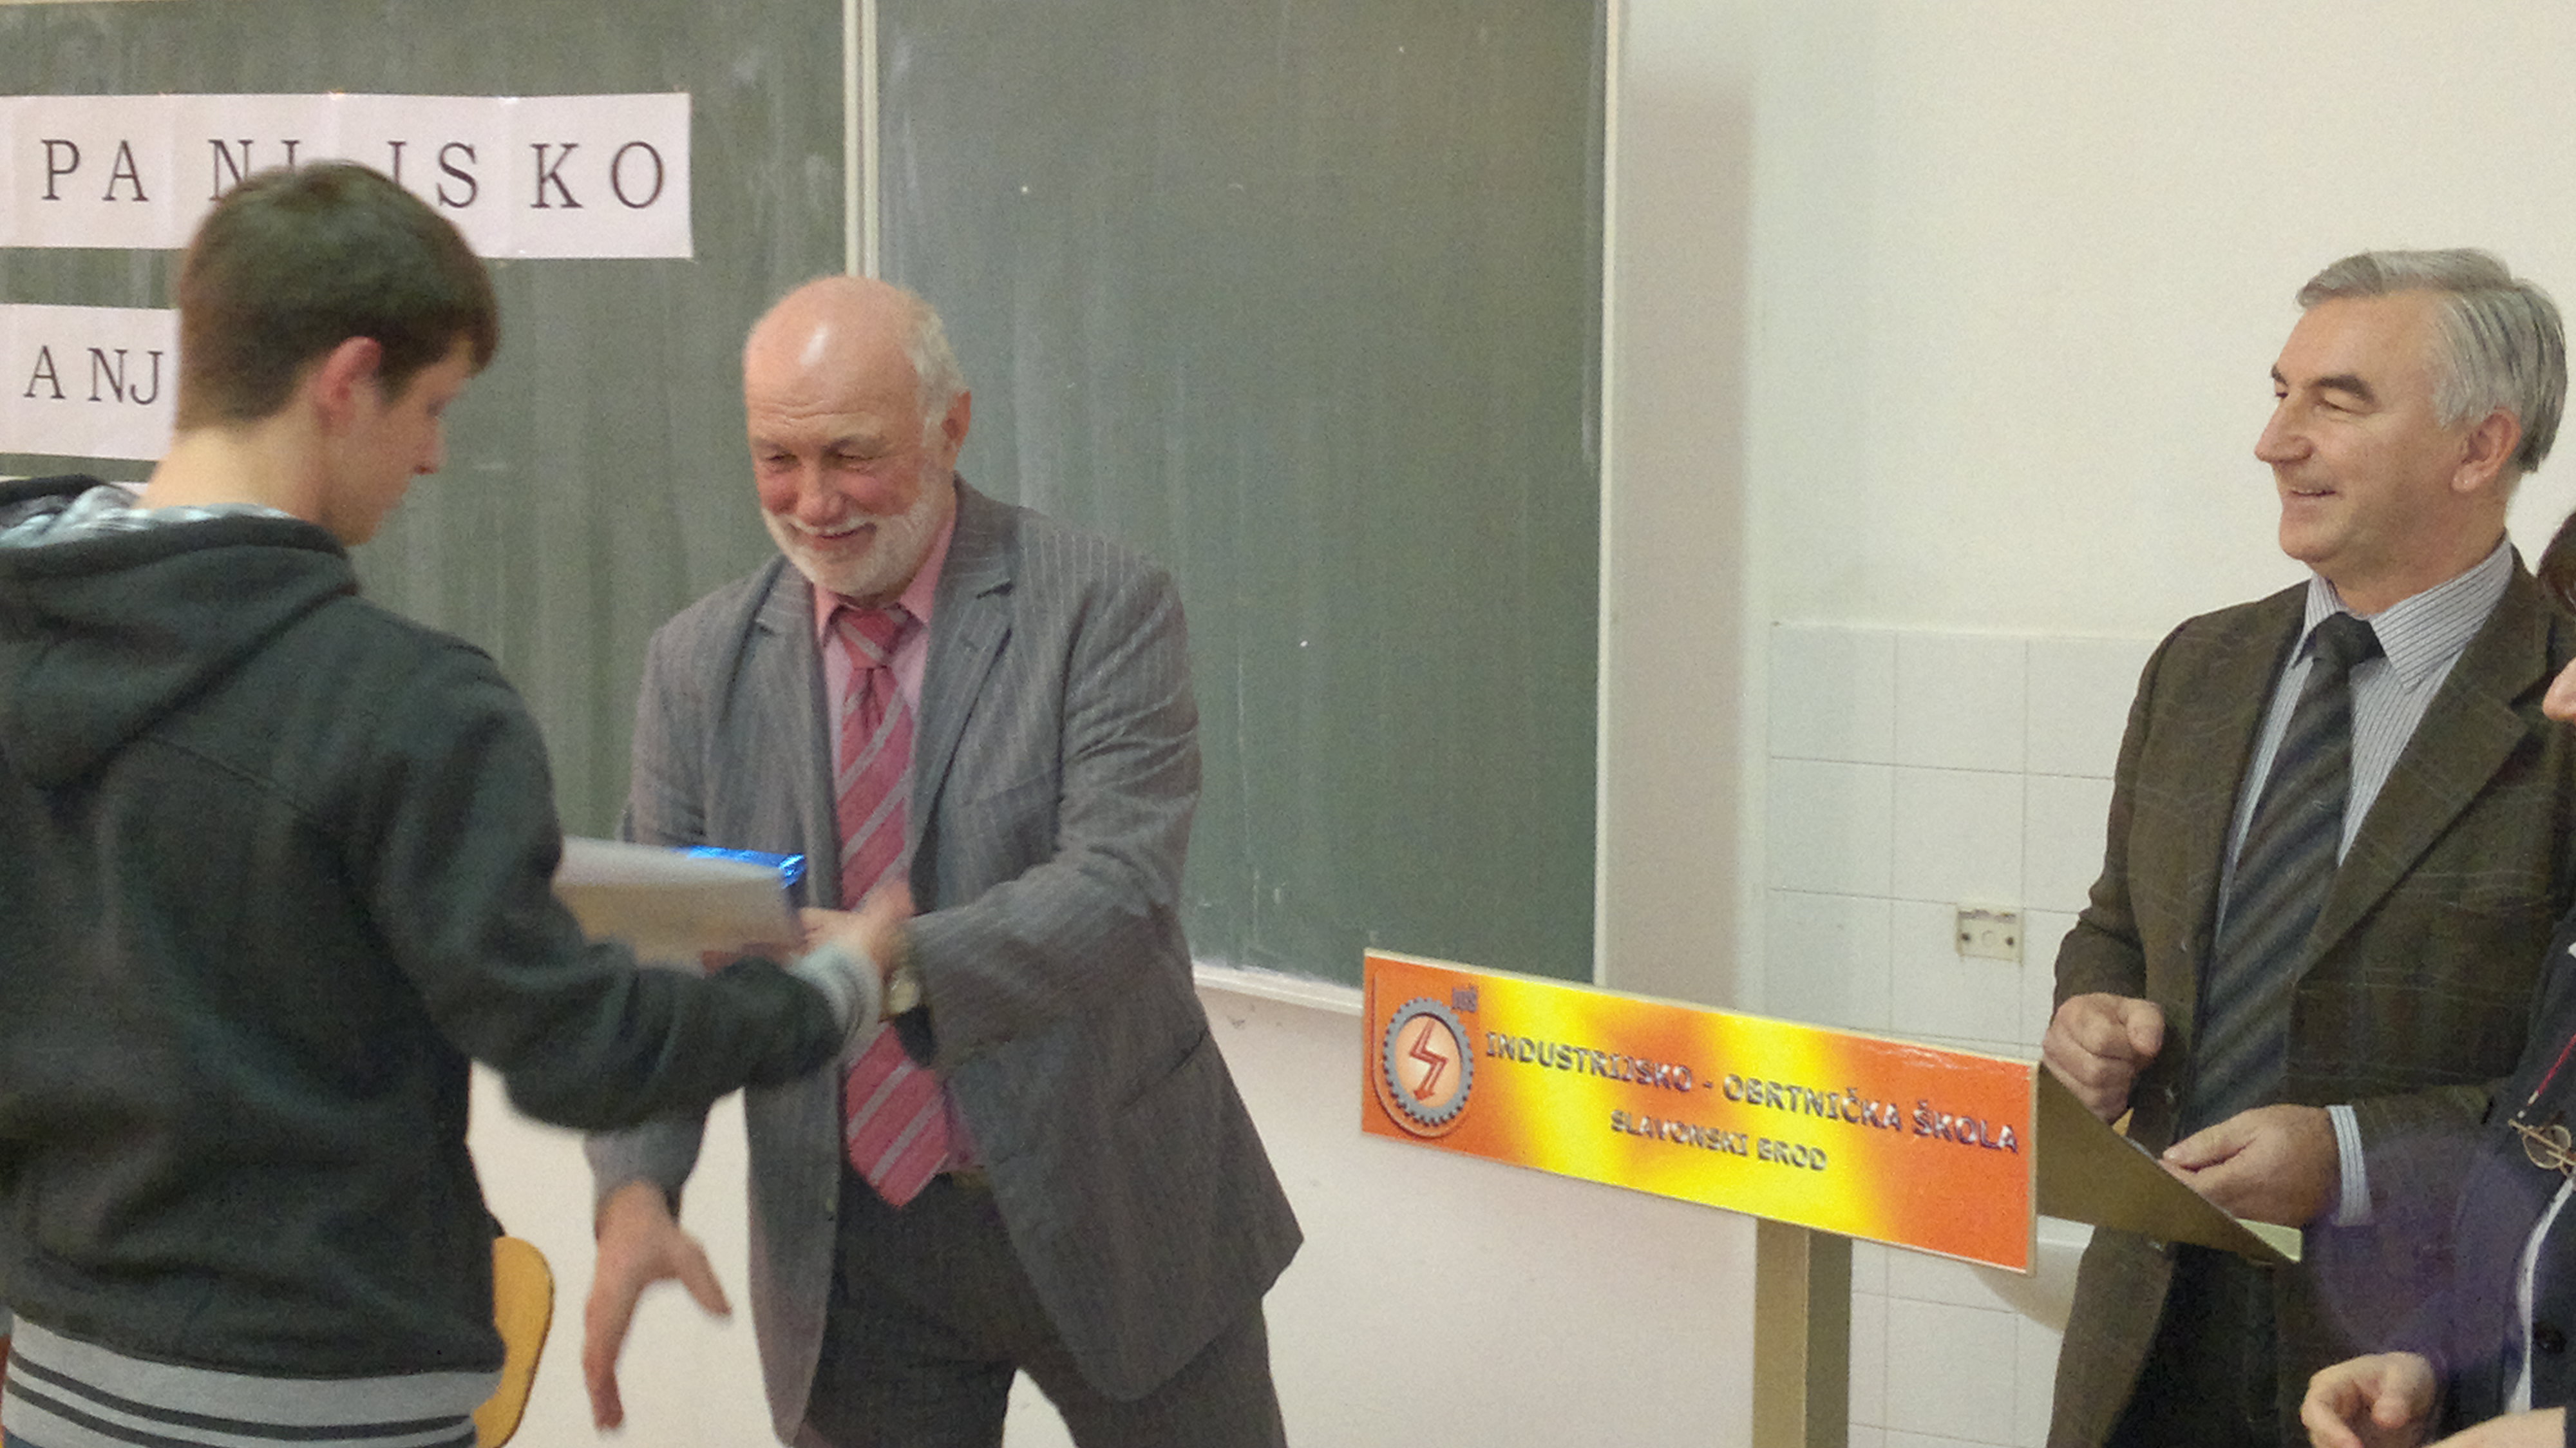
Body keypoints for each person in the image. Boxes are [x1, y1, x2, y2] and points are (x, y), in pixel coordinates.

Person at [0, 163, 887, 1448]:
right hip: (321, 1398)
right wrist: (836, 989)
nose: (432, 454)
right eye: (431, 406)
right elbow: (576, 1047)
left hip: (58, 1384)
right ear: (347, 379)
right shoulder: (407, 704)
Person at [580, 274, 1301, 1448]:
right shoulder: (698, 664)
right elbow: (660, 955)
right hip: (852, 1246)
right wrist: (635, 1191)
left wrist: (896, 965)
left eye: (851, 455)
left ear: (950, 427)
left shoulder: (1100, 608)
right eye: (777, 459)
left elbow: (1118, 893)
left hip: (1116, 1198)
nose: (814, 502)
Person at [2042, 248, 2576, 1448]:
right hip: (2144, 1325)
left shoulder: (2563, 710)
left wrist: (2349, 1157)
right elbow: (2116, 923)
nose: (2275, 442)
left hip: (2408, 1362)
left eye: (2337, 403)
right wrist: (2090, 1014)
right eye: (2282, 394)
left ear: (2479, 448)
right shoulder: (2201, 666)